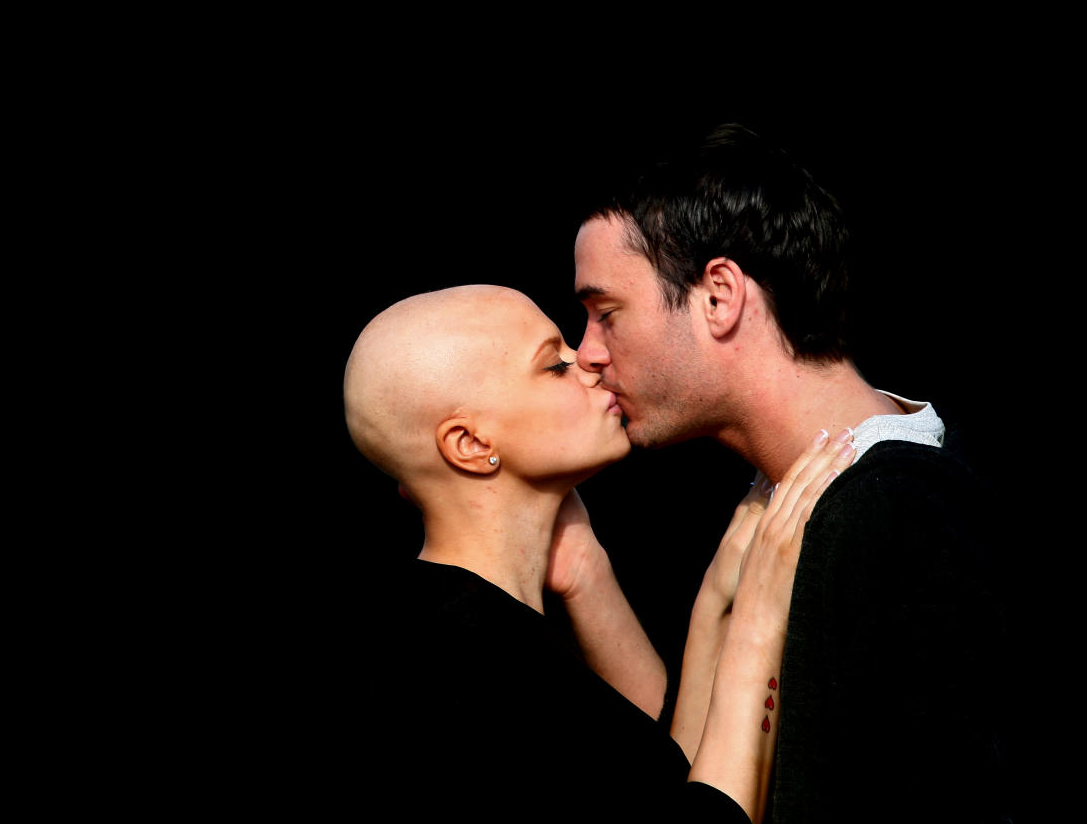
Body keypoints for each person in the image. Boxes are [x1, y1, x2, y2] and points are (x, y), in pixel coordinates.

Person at [570, 123, 1014, 822]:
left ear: (719, 296)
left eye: (605, 313)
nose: (587, 352)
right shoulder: (777, 509)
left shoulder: (900, 514)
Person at [343, 284, 856, 820]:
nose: (588, 361)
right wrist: (757, 624)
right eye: (553, 366)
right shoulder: (454, 672)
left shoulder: (476, 629)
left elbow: (661, 779)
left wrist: (713, 600)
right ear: (470, 445)